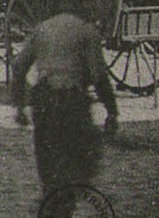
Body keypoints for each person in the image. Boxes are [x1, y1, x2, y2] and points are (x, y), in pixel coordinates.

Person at [13, 10, 118, 195]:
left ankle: (52, 202)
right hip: (72, 101)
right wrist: (111, 110)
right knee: (75, 160)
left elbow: (19, 66)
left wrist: (19, 106)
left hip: (44, 101)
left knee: (48, 159)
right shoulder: (86, 31)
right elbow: (98, 75)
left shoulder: (42, 28)